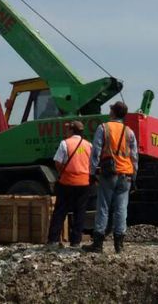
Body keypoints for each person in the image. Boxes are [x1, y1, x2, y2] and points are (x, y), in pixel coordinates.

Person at [84, 101, 138, 254]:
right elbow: (134, 157)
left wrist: (92, 172)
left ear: (113, 112)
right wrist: (134, 176)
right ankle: (119, 245)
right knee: (121, 209)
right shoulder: (129, 132)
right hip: (126, 173)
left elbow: (96, 151)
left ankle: (98, 244)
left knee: (103, 207)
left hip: (109, 173)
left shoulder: (104, 128)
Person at [47, 120, 91, 248]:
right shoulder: (88, 145)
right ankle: (76, 241)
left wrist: (63, 172)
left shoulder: (65, 143)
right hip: (84, 183)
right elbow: (92, 164)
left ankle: (53, 240)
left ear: (72, 130)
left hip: (67, 182)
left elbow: (57, 162)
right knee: (80, 212)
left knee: (60, 211)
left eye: (68, 129)